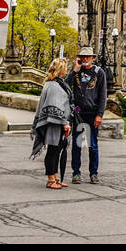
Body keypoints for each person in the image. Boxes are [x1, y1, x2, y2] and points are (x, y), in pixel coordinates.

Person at [31, 58, 74, 189]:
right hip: (55, 123)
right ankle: (51, 180)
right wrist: (64, 123)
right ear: (61, 70)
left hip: (56, 122)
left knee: (57, 149)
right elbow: (55, 105)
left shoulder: (55, 83)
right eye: (66, 67)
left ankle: (55, 177)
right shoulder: (54, 86)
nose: (67, 70)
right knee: (53, 150)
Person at [66, 48, 107, 184]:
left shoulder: (98, 72)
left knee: (92, 145)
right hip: (78, 113)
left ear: (92, 58)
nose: (84, 59)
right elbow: (66, 85)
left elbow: (103, 95)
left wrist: (99, 114)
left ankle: (93, 173)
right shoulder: (76, 72)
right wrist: (74, 70)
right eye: (82, 57)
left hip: (92, 113)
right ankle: (76, 173)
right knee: (77, 145)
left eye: (87, 57)